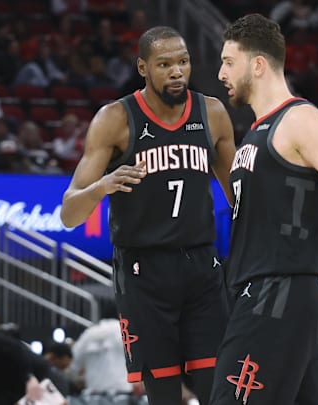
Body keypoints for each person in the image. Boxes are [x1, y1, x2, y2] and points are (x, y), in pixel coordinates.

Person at [211, 13, 318, 405]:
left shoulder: (301, 120)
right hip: (279, 296)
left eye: (227, 62)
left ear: (257, 65)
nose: (220, 72)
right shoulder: (254, 135)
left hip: (276, 293)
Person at [59, 26, 236, 405]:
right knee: (164, 395)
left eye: (183, 62)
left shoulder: (213, 113)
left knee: (218, 389)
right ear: (143, 67)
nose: (176, 72)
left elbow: (241, 198)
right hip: (143, 273)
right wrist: (101, 186)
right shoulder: (115, 119)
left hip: (201, 268)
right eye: (164, 64)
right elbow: (69, 214)